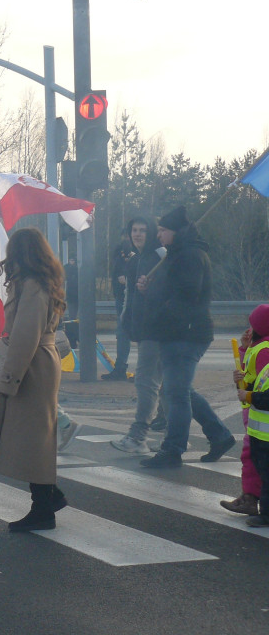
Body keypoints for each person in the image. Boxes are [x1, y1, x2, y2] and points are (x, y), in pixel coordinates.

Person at [0, 228, 67, 531]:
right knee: (35, 438)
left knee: (34, 441)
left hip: (32, 367)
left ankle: (44, 508)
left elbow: (25, 336)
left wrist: (8, 376)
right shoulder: (43, 282)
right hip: (40, 362)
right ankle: (48, 498)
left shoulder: (31, 286)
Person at [137, 206, 236, 469]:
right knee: (181, 391)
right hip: (177, 333)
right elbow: (169, 293)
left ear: (176, 231)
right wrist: (148, 290)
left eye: (162, 230)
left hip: (186, 334)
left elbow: (185, 298)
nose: (158, 235)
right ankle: (220, 436)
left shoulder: (190, 256)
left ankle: (172, 450)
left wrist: (158, 312)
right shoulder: (177, 254)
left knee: (176, 394)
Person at [111, 216, 166, 455]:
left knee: (145, 380)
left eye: (143, 230)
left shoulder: (162, 257)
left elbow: (170, 294)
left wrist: (150, 290)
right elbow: (129, 297)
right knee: (170, 386)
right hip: (144, 329)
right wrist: (126, 320)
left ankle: (139, 435)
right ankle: (179, 435)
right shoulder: (136, 261)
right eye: (134, 230)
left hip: (158, 330)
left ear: (152, 232)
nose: (138, 234)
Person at [221, 306, 269, 516]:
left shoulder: (264, 350)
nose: (249, 329)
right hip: (255, 413)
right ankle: (250, 497)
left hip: (260, 415)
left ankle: (250, 499)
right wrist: (243, 350)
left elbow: (261, 383)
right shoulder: (256, 347)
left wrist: (248, 395)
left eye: (252, 324)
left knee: (254, 457)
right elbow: (250, 374)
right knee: (253, 457)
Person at [237, 352, 269, 527]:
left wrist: (249, 396)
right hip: (260, 436)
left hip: (265, 436)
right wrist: (241, 383)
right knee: (265, 475)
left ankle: (267, 515)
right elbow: (258, 387)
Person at [106, 227, 136, 379]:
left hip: (131, 296)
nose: (126, 239)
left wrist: (127, 278)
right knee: (123, 333)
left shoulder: (136, 252)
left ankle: (122, 368)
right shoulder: (120, 252)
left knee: (126, 332)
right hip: (122, 295)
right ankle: (120, 368)